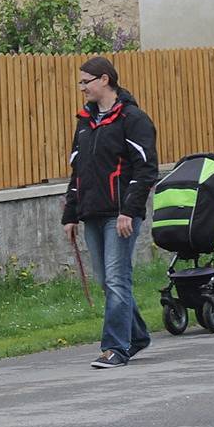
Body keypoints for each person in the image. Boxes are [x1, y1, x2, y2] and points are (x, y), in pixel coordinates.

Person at [62, 56, 159, 368]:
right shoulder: (84, 122)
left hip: (121, 216)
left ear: (105, 80)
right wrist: (71, 214)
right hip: (91, 213)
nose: (82, 88)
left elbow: (146, 171)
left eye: (85, 82)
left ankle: (115, 347)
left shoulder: (133, 118)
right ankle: (138, 335)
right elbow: (78, 170)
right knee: (107, 281)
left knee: (117, 280)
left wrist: (129, 211)